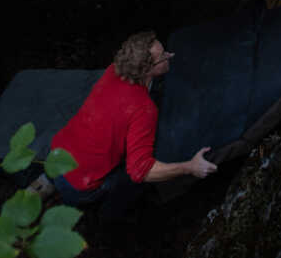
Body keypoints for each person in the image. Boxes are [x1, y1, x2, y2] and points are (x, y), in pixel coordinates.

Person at [48, 32, 216, 220]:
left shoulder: (113, 70)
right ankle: (108, 219)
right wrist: (190, 167)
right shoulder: (144, 109)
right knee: (130, 183)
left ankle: (54, 192)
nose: (170, 55)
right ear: (147, 69)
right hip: (79, 184)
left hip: (56, 156)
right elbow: (140, 171)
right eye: (163, 56)